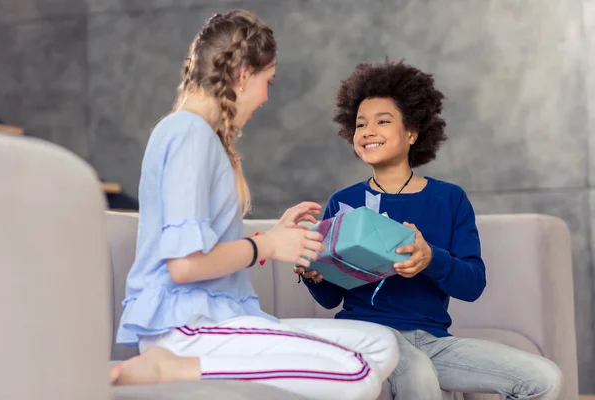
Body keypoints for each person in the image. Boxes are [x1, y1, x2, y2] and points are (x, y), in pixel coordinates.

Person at [109, 10, 398, 400]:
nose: (265, 98)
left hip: (217, 318)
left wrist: (273, 233)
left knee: (382, 344)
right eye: (268, 82)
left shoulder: (197, 136)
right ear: (243, 74)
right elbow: (184, 265)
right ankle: (173, 367)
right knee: (357, 374)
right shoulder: (188, 134)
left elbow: (201, 241)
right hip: (189, 328)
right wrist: (269, 246)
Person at [294, 59, 563, 399]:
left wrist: (430, 258)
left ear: (412, 132)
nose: (368, 131)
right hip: (371, 339)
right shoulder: (344, 201)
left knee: (544, 377)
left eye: (382, 121)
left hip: (435, 342)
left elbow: (473, 284)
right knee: (417, 374)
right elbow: (332, 297)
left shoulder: (449, 199)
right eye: (361, 124)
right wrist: (314, 274)